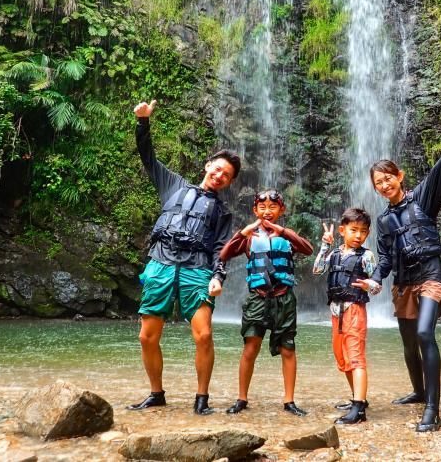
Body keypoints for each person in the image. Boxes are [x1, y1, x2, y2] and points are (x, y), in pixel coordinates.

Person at [363, 103, 441, 432]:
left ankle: (432, 409)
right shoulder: (383, 221)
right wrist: (375, 279)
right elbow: (384, 258)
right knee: (409, 343)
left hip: (429, 277)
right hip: (403, 284)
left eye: (388, 178)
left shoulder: (423, 199)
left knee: (425, 333)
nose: (384, 185)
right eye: (378, 183)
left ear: (399, 177)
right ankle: (417, 390)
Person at [128, 99, 241, 415]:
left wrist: (218, 276)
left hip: (196, 270)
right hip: (161, 264)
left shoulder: (222, 211)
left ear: (229, 183)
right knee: (146, 336)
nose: (219, 176)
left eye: (226, 175)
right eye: (217, 169)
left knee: (204, 335)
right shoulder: (173, 186)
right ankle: (156, 393)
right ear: (208, 166)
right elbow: (148, 158)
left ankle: (202, 398)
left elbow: (221, 248)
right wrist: (143, 122)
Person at [219, 189, 314, 416]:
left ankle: (289, 400)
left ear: (281, 210)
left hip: (284, 298)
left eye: (272, 207)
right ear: (255, 210)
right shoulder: (249, 238)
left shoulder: (286, 237)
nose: (267, 212)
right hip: (258, 298)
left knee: (288, 348)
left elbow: (307, 249)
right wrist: (242, 233)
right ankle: (242, 398)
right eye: (262, 208)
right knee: (250, 347)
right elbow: (224, 254)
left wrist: (282, 231)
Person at [312, 207, 381, 424]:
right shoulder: (333, 254)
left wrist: (369, 284)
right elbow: (316, 270)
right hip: (335, 311)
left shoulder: (366, 256)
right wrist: (324, 245)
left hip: (354, 310)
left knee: (356, 357)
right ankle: (357, 398)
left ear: (367, 234)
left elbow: (377, 285)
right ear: (342, 230)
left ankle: (359, 409)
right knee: (342, 358)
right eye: (353, 230)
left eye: (363, 231)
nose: (358, 235)